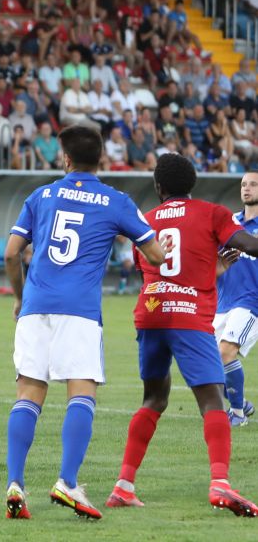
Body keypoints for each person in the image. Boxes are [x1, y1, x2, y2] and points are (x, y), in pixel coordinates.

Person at [4, 125, 166, 520]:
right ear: (102, 160)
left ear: (65, 159)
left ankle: (15, 484)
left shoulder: (41, 195)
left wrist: (20, 297)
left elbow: (11, 254)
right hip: (79, 310)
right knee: (81, 393)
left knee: (28, 393)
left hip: (35, 306)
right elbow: (158, 255)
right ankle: (68, 481)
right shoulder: (116, 200)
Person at [106, 154, 258, 516]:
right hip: (189, 317)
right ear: (192, 183)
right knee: (213, 401)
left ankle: (123, 486)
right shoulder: (212, 212)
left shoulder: (147, 219)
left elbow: (154, 269)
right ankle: (220, 483)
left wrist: (214, 270)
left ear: (159, 187)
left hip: (151, 313)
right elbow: (249, 245)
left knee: (154, 399)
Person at [214, 172, 258, 426]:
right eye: (243, 184)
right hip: (222, 301)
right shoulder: (229, 223)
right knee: (204, 364)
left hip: (250, 302)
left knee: (225, 352)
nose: (247, 189)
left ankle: (238, 415)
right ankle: (240, 402)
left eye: (253, 184)